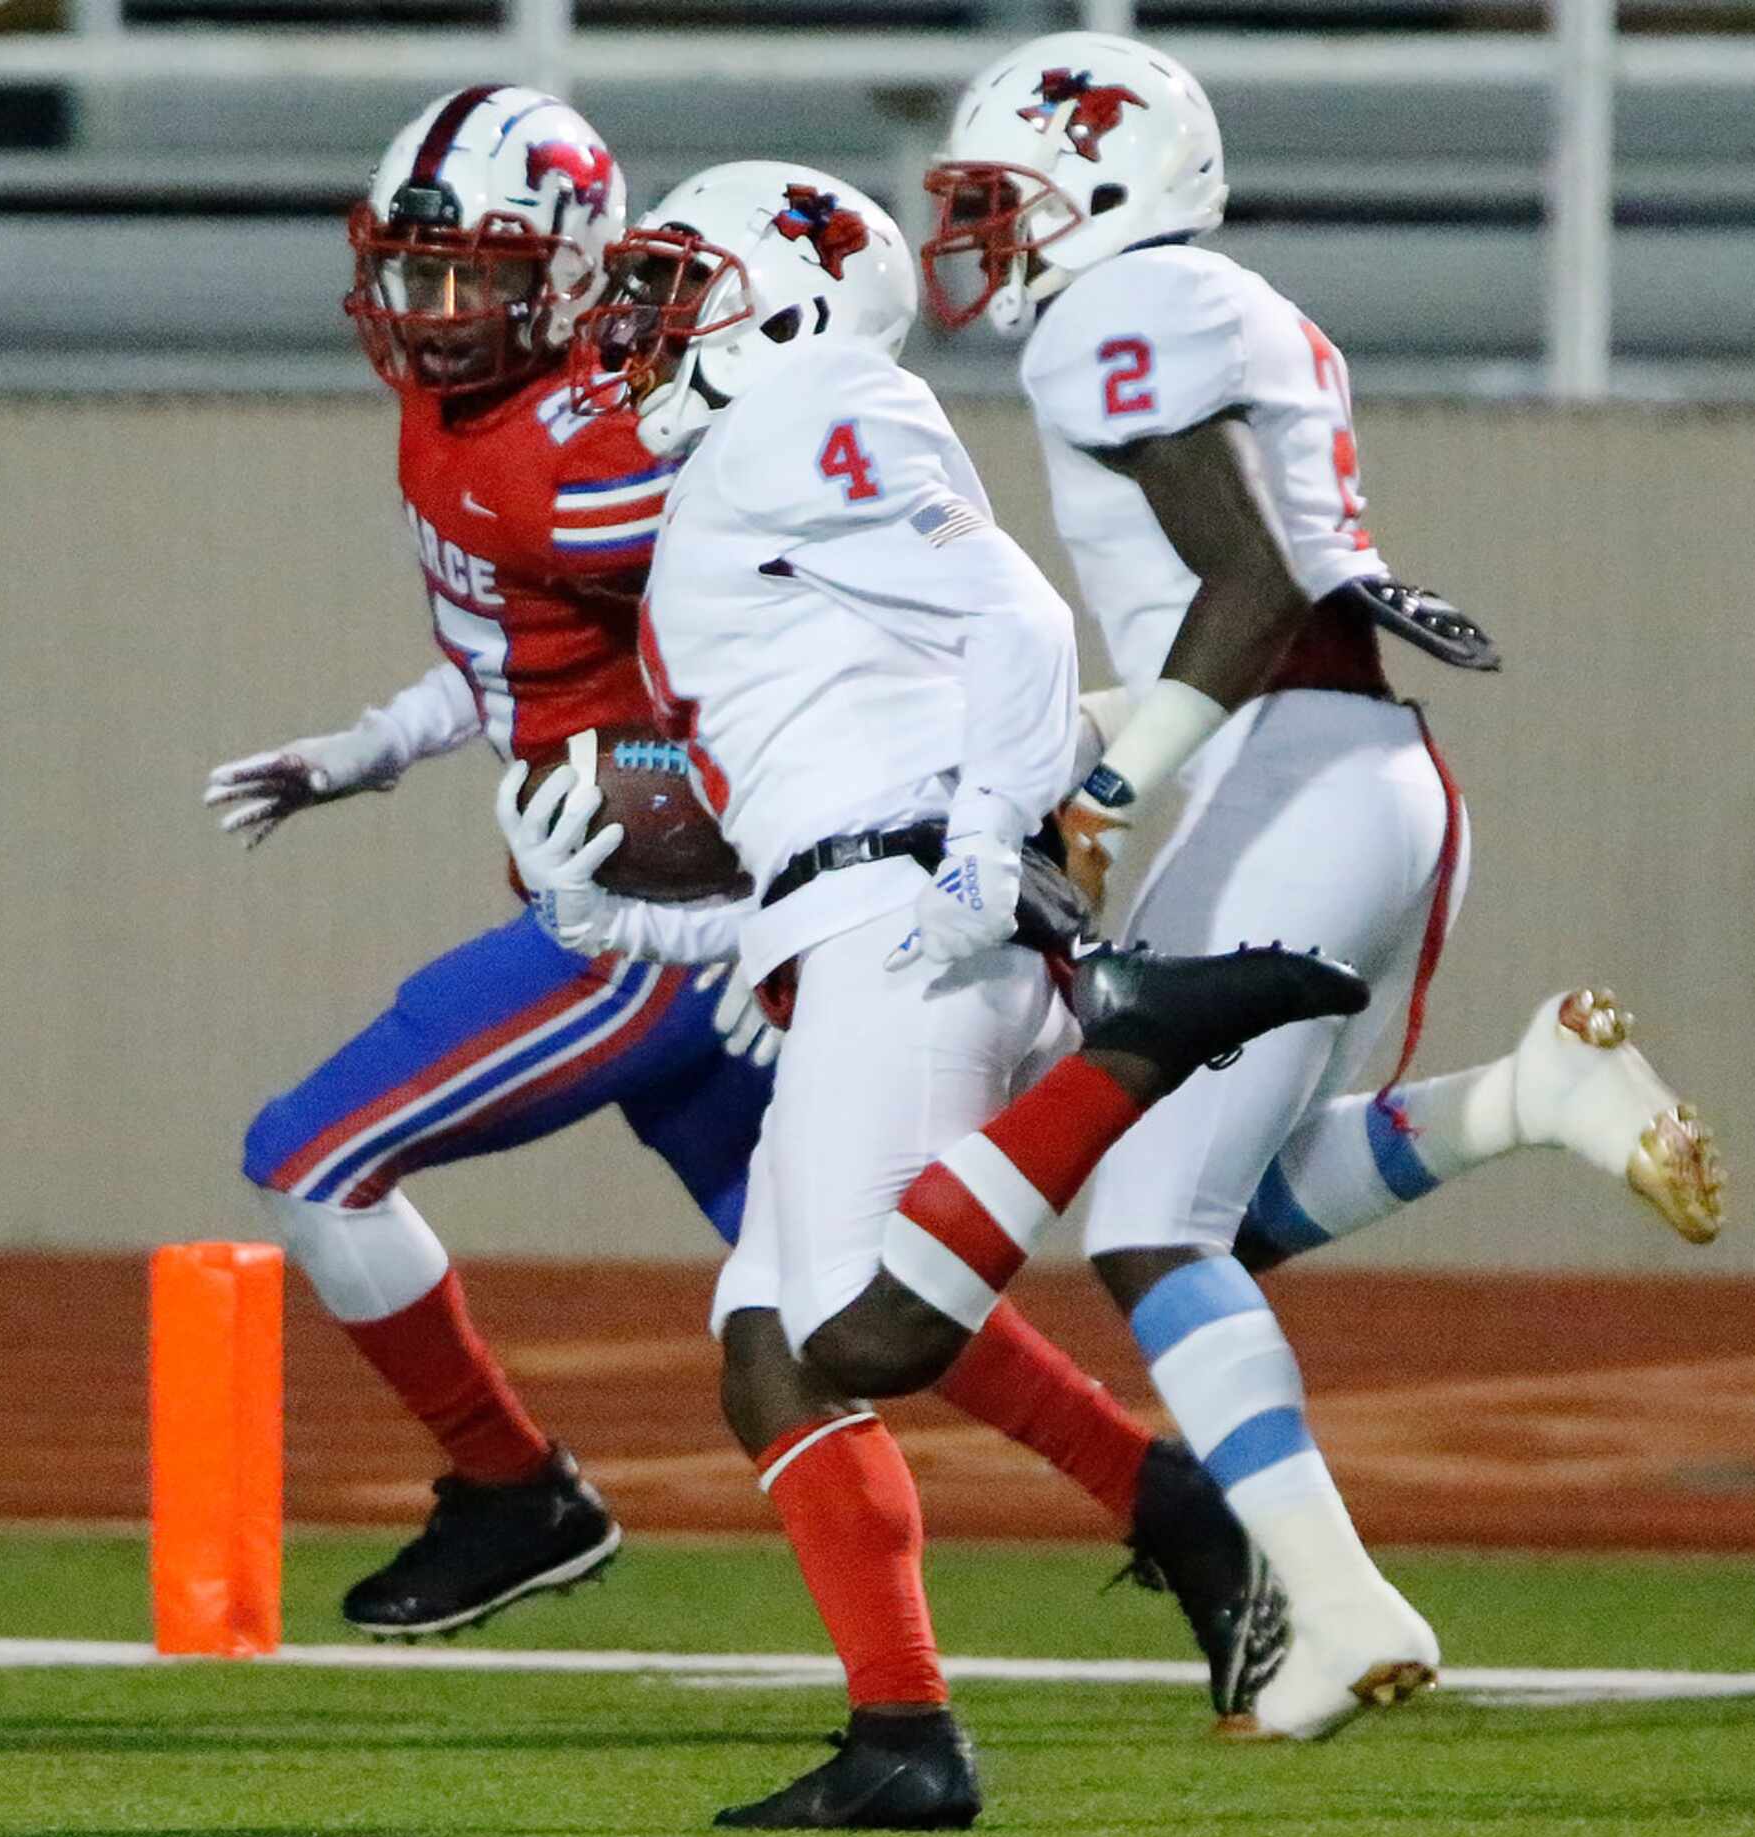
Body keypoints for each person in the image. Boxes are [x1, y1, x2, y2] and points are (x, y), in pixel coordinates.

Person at [208, 87, 1289, 1704]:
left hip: (664, 920)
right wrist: (380, 744)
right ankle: (1169, 1509)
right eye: (411, 275)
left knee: (313, 1158)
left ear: (575, 269)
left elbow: (831, 604)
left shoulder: (631, 451)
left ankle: (514, 1486)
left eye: (472, 279)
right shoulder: (520, 423)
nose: (433, 318)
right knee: (822, 1302)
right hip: (716, 899)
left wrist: (813, 853)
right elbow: (513, 638)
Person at [503, 157, 1368, 1829]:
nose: (635, 327)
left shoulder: (813, 401)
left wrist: (981, 833)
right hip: (871, 899)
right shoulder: (746, 473)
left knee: (861, 1332)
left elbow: (1018, 618)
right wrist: (609, 907)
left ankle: (1138, 1040)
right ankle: (904, 1736)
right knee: (768, 1352)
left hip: (922, 901)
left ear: (795, 307)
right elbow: (811, 787)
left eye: (677, 290)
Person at [919, 27, 1723, 1742]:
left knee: (1145, 1224)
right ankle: (1524, 1096)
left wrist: (1112, 791)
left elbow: (1250, 574)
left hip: (1282, 767)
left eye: (1008, 196)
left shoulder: (1113, 315)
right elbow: (1243, 592)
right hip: (1345, 769)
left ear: (1106, 183)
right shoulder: (1222, 306)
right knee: (1227, 1209)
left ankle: (1340, 1601)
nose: (987, 233)